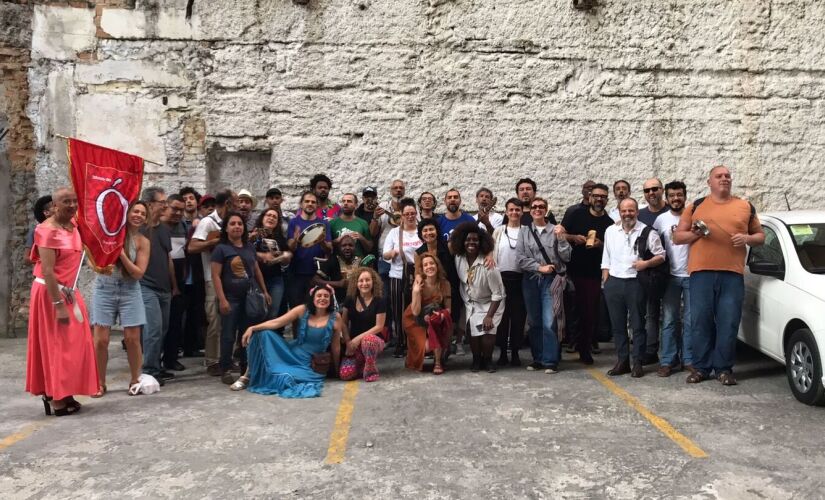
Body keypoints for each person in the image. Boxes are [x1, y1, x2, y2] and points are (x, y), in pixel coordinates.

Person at [673, 165, 764, 386]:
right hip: (701, 273)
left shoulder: (745, 206)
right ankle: (701, 368)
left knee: (729, 322)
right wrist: (695, 233)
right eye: (719, 176)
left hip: (732, 273)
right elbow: (677, 238)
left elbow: (760, 236)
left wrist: (746, 239)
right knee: (700, 321)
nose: (724, 179)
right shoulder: (696, 206)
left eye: (727, 176)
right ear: (709, 182)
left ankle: (723, 369)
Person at [26, 187, 98, 416]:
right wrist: (58, 305)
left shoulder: (74, 225)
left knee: (76, 344)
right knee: (56, 345)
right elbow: (47, 271)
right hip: (51, 293)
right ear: (54, 206)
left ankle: (65, 391)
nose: (72, 205)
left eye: (74, 201)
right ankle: (55, 397)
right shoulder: (46, 231)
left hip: (70, 290)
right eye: (66, 202)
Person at [236, 285, 343, 398]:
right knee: (262, 334)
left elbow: (336, 346)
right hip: (291, 352)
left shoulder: (335, 317)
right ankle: (247, 375)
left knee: (284, 379)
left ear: (330, 299)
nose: (322, 298)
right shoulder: (302, 309)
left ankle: (253, 376)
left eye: (326, 296)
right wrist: (252, 328)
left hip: (309, 363)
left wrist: (337, 369)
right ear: (313, 298)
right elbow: (277, 322)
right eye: (319, 295)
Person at [601, 198, 666, 378]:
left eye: (631, 210)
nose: (627, 214)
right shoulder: (610, 231)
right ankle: (622, 361)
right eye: (624, 211)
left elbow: (661, 255)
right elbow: (606, 257)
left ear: (637, 211)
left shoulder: (647, 231)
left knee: (638, 324)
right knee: (618, 325)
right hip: (614, 281)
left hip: (636, 282)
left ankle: (637, 362)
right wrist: (606, 281)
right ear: (619, 212)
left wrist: (645, 263)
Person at [91, 200, 150, 396]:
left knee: (132, 339)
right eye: (135, 211)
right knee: (101, 340)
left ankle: (135, 379)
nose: (138, 215)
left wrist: (122, 254)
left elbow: (138, 273)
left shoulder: (142, 241)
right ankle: (99, 382)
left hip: (130, 289)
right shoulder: (111, 234)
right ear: (127, 213)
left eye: (142, 213)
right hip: (105, 287)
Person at [212, 212, 270, 384]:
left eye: (240, 224)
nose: (237, 226)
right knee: (228, 335)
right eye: (232, 224)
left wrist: (265, 291)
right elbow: (216, 276)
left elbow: (256, 270)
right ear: (226, 228)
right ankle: (226, 368)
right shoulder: (221, 249)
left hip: (250, 298)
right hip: (231, 298)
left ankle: (246, 368)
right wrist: (222, 300)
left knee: (246, 335)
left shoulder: (249, 247)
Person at [561, 183, 614, 364]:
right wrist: (573, 237)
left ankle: (585, 349)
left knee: (589, 312)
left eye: (603, 197)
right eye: (596, 196)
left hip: (593, 274)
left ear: (607, 200)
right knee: (571, 310)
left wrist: (600, 245)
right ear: (590, 197)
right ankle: (569, 343)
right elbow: (560, 234)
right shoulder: (576, 214)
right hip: (571, 271)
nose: (599, 199)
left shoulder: (609, 223)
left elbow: (612, 249)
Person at [517, 197, 570, 374]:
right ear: (530, 210)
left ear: (546, 210)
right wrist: (540, 267)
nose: (537, 209)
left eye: (541, 207)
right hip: (531, 280)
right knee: (534, 321)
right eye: (534, 207)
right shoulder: (524, 231)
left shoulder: (555, 230)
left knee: (550, 321)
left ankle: (550, 360)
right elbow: (520, 259)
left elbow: (567, 257)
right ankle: (537, 358)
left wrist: (562, 239)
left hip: (551, 281)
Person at [188, 189, 236, 375]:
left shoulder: (231, 223)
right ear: (227, 204)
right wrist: (213, 243)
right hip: (212, 278)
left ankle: (227, 358)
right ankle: (212, 361)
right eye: (233, 203)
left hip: (230, 279)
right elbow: (192, 246)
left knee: (230, 321)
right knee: (215, 321)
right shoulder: (208, 222)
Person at [452, 222, 505, 373]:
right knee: (473, 333)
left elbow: (498, 294)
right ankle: (476, 360)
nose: (471, 243)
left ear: (481, 242)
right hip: (470, 302)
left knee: (487, 331)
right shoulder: (459, 257)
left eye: (475, 240)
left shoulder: (489, 265)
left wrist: (489, 316)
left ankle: (488, 361)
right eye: (468, 239)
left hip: (490, 303)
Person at [139, 187, 179, 383]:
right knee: (153, 329)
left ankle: (156, 365)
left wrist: (174, 285)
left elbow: (168, 258)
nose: (165, 205)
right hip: (146, 286)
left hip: (164, 288)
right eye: (161, 202)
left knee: (162, 329)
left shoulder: (164, 229)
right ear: (149, 204)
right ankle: (149, 371)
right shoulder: (139, 229)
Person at [653, 181, 692, 377]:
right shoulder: (661, 220)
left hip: (693, 275)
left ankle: (689, 359)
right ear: (666, 198)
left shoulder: (694, 216)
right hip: (670, 276)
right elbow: (653, 246)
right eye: (672, 195)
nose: (676, 198)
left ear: (685, 196)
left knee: (691, 320)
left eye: (679, 195)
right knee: (669, 320)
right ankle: (667, 360)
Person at [382, 198, 422, 357]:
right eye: (407, 214)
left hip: (418, 274)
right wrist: (391, 253)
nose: (410, 216)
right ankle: (401, 342)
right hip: (398, 275)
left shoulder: (421, 230)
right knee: (398, 310)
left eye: (413, 213)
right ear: (402, 216)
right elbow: (385, 254)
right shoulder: (394, 233)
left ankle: (416, 342)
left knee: (417, 310)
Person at [287, 191, 333, 324]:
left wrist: (322, 241)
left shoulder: (324, 224)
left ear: (317, 205)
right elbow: (290, 247)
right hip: (296, 274)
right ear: (301, 204)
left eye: (313, 202)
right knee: (296, 313)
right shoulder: (293, 222)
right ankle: (298, 342)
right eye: (307, 201)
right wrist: (295, 240)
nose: (310, 204)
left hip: (316, 275)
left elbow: (329, 249)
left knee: (316, 312)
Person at [404, 253, 452, 374]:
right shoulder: (419, 283)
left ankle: (437, 362)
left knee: (436, 323)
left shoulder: (445, 284)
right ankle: (413, 355)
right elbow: (415, 312)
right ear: (422, 269)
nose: (429, 266)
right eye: (425, 265)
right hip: (414, 319)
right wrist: (415, 292)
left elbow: (448, 309)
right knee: (426, 347)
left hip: (432, 315)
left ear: (437, 266)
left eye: (432, 263)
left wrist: (440, 315)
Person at [492, 198, 527, 366]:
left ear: (522, 212)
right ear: (506, 212)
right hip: (501, 279)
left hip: (521, 279)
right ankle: (503, 354)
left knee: (519, 317)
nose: (514, 213)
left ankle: (515, 352)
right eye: (511, 210)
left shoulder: (527, 230)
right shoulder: (499, 231)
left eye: (517, 210)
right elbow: (491, 253)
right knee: (502, 318)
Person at [337, 267, 388, 382]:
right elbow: (343, 323)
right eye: (361, 281)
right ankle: (361, 364)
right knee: (345, 375)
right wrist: (348, 341)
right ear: (356, 283)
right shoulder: (350, 299)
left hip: (374, 341)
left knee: (368, 340)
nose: (364, 283)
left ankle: (371, 369)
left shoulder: (380, 300)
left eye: (367, 280)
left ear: (373, 282)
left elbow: (379, 326)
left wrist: (357, 339)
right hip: (353, 344)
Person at [638, 178, 669, 365]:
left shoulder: (672, 210)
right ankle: (651, 350)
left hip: (675, 271)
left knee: (673, 315)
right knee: (651, 313)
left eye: (655, 189)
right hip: (651, 274)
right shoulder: (640, 215)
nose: (651, 193)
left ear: (662, 190)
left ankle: (672, 352)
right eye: (647, 190)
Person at [162, 194, 188, 372]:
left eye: (181, 210)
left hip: (180, 278)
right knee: (159, 324)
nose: (178, 213)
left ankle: (171, 359)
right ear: (166, 207)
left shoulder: (183, 226)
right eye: (174, 209)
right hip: (161, 277)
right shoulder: (157, 227)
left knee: (176, 321)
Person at [253, 208, 291, 320]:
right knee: (256, 312)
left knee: (273, 314)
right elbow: (244, 252)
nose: (271, 218)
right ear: (262, 218)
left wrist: (285, 256)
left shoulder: (279, 238)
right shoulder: (253, 234)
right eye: (268, 215)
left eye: (275, 217)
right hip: (255, 279)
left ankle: (267, 337)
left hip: (275, 279)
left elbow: (287, 256)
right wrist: (262, 256)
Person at [313, 234, 359, 304]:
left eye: (350, 245)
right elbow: (315, 280)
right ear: (339, 248)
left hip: (359, 301)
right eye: (344, 245)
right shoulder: (333, 260)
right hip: (338, 302)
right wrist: (338, 284)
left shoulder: (360, 261)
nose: (347, 248)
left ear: (355, 247)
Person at [330, 193, 372, 257]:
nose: (345, 203)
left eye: (349, 201)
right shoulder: (332, 223)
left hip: (357, 262)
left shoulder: (363, 223)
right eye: (343, 201)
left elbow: (369, 248)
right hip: (338, 263)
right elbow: (327, 247)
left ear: (356, 205)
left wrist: (361, 238)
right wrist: (338, 240)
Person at [25, 195, 54, 264]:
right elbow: (27, 258)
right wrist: (47, 261)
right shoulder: (36, 231)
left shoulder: (67, 228)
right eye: (54, 206)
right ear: (46, 212)